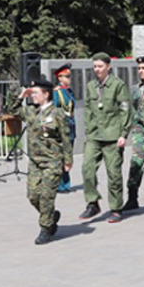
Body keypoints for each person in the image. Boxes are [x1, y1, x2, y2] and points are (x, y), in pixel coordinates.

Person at [9, 79, 73, 245]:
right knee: (33, 196)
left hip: (52, 161)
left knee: (46, 195)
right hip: (35, 162)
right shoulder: (30, 110)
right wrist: (20, 96)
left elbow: (66, 138)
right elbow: (12, 110)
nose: (33, 96)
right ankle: (50, 215)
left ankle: (46, 228)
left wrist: (68, 160)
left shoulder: (57, 113)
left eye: (36, 92)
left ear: (46, 94)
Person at [80, 52, 132, 223]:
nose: (97, 69)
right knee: (87, 168)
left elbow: (125, 109)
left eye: (100, 66)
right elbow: (88, 110)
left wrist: (123, 134)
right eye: (94, 66)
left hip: (113, 135)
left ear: (108, 66)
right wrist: (88, 132)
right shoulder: (91, 86)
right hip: (95, 135)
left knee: (114, 174)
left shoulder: (118, 85)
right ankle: (92, 202)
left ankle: (116, 208)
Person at [123, 56, 144, 212]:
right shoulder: (135, 89)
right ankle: (132, 197)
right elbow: (131, 109)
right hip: (141, 131)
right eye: (139, 68)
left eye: (143, 68)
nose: (140, 71)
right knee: (135, 164)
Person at [52, 64, 76, 193]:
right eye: (67, 76)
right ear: (60, 78)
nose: (69, 79)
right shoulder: (57, 92)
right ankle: (60, 185)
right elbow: (55, 110)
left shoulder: (68, 91)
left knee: (68, 156)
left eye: (69, 76)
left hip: (70, 127)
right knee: (61, 157)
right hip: (62, 128)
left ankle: (66, 184)